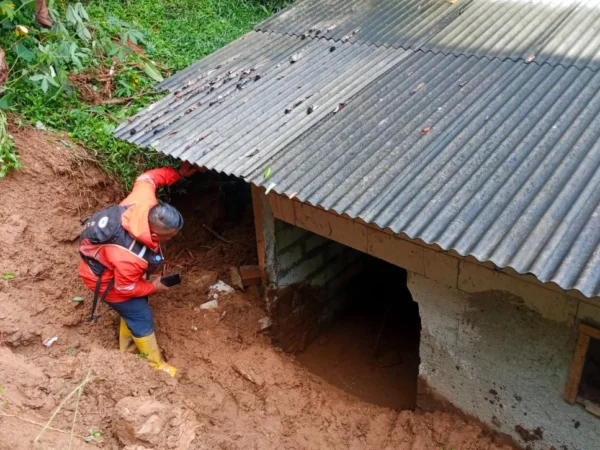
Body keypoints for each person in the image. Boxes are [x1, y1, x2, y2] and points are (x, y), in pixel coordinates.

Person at [78, 162, 198, 376]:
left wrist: (178, 173)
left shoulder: (143, 201)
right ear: (155, 234)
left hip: (110, 263)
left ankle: (127, 350)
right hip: (104, 279)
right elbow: (125, 289)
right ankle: (156, 366)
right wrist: (154, 286)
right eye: (169, 237)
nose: (172, 239)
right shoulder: (130, 257)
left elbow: (148, 178)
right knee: (140, 314)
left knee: (134, 308)